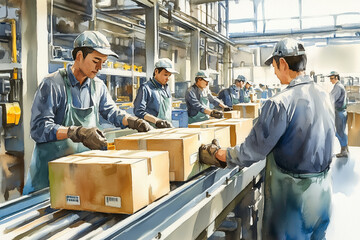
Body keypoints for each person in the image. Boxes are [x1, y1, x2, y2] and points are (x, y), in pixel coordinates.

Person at [199, 38, 335, 239]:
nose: (274, 72)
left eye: (274, 66)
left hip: (293, 202)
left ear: (282, 63)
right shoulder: (324, 96)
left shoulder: (280, 103)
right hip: (323, 195)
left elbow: (252, 151)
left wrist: (219, 154)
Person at [23, 31, 153, 195]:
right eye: (95, 61)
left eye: (103, 63)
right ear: (79, 56)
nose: (99, 68)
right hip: (48, 180)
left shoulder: (98, 86)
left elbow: (112, 112)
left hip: (81, 176)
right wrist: (77, 132)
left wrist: (134, 121)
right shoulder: (52, 84)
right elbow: (39, 128)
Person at [133, 58, 177, 128]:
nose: (168, 78)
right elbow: (138, 111)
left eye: (169, 75)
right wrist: (157, 121)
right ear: (156, 71)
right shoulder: (145, 88)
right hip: (151, 130)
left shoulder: (167, 88)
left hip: (167, 129)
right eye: (165, 75)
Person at [329, 71, 349, 157]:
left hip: (339, 112)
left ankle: (344, 151)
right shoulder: (340, 86)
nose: (330, 80)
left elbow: (331, 99)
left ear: (336, 78)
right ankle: (345, 149)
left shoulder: (337, 87)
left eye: (331, 78)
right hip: (342, 112)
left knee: (339, 132)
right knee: (341, 131)